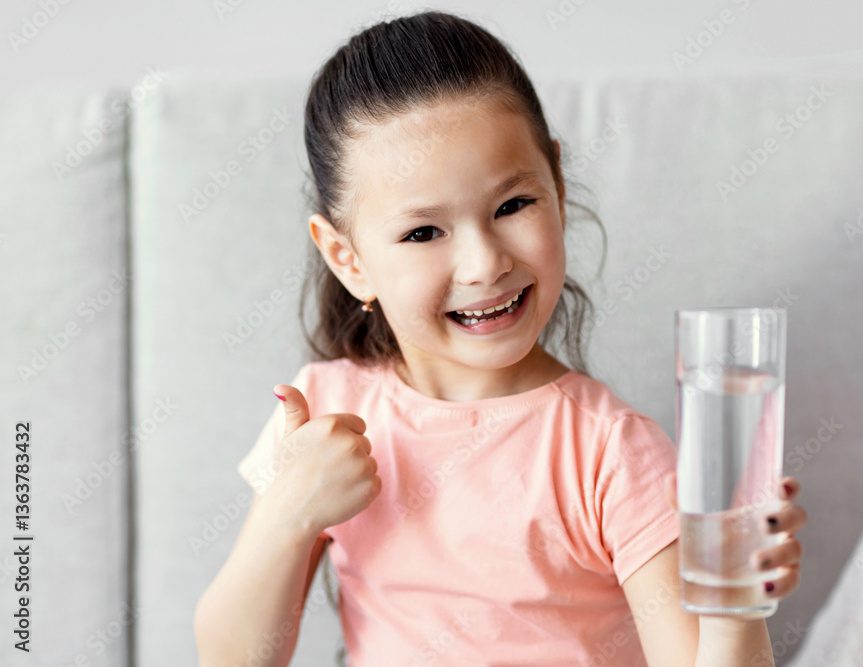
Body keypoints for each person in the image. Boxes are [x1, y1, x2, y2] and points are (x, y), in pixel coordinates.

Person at [194, 10, 807, 666]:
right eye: (423, 232)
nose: (485, 264)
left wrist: (732, 608)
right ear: (348, 259)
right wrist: (286, 515)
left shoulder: (611, 452)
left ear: (558, 188)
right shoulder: (322, 416)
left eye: (512, 206)